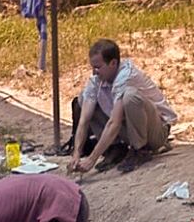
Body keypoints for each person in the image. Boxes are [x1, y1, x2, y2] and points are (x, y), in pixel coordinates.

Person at [68, 39, 176, 174]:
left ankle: (140, 150)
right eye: (93, 67)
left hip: (156, 131)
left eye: (98, 67)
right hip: (129, 128)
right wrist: (76, 154)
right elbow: (84, 120)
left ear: (113, 63)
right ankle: (115, 148)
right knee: (84, 99)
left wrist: (91, 159)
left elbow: (115, 123)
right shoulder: (96, 81)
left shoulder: (126, 76)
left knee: (130, 97)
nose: (94, 72)